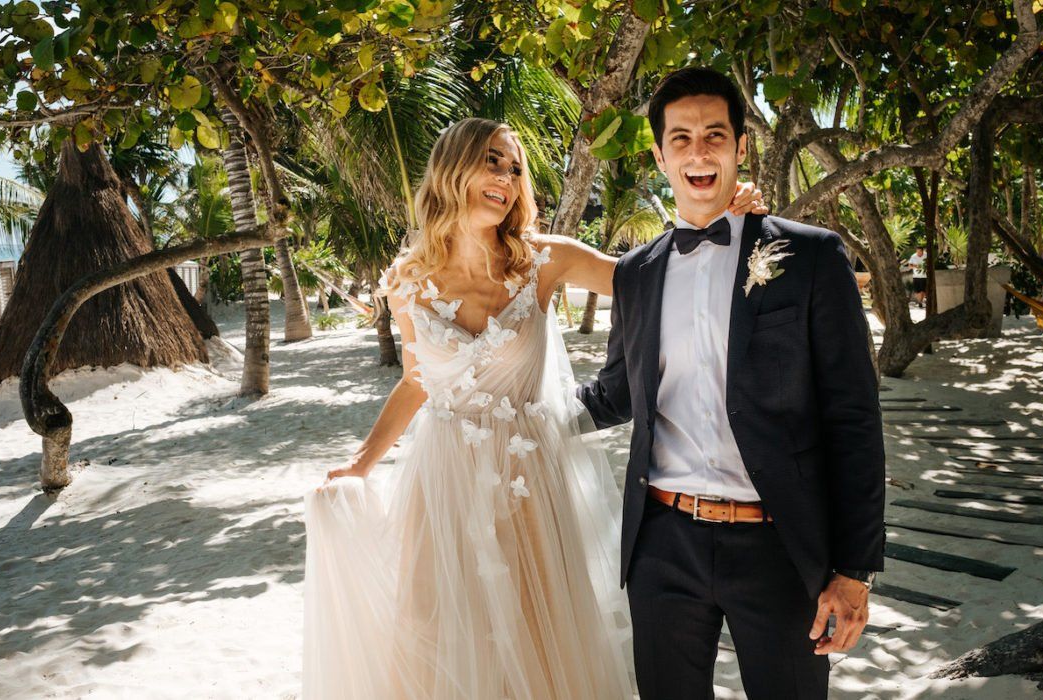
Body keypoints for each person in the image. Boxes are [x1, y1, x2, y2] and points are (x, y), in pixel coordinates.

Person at [302, 116, 768, 699]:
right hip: (442, 482)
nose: (506, 177)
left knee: (536, 637)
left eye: (514, 168)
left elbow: (659, 275)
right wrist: (363, 461)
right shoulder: (408, 280)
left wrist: (722, 214)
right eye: (492, 161)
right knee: (442, 634)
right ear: (453, 168)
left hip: (529, 486)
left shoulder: (545, 260)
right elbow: (416, 382)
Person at [577, 67, 886, 700]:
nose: (699, 151)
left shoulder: (812, 258)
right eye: (681, 138)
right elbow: (614, 393)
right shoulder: (634, 275)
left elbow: (854, 419)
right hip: (662, 544)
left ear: (741, 147)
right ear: (660, 154)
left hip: (780, 545)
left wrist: (854, 570)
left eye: (715, 135)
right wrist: (503, 412)